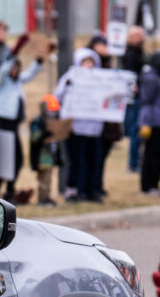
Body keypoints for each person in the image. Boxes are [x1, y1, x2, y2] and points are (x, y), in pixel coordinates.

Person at [0, 36, 42, 203]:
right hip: (3, 123)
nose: (15, 71)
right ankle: (0, 189)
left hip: (13, 125)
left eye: (17, 68)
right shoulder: (1, 82)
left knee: (16, 159)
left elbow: (30, 74)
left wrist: (39, 60)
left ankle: (8, 189)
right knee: (5, 159)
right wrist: (15, 52)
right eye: (13, 68)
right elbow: (3, 70)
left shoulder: (17, 82)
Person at [55, 48, 104, 203]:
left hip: (94, 127)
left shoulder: (101, 79)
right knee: (76, 160)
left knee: (93, 160)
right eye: (85, 62)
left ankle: (91, 190)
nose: (88, 65)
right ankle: (73, 190)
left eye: (91, 62)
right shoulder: (70, 77)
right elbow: (58, 96)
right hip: (75, 126)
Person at [89, 34, 120, 198]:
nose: (104, 48)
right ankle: (92, 185)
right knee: (95, 155)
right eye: (101, 45)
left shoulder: (109, 65)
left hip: (107, 119)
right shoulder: (90, 66)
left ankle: (98, 184)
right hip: (92, 118)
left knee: (103, 154)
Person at [138, 51, 160, 195]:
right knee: (152, 154)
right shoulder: (152, 78)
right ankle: (148, 185)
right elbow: (147, 100)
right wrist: (146, 123)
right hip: (153, 122)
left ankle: (155, 184)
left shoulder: (159, 77)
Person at [29, 95, 65, 207]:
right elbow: (35, 139)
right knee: (44, 180)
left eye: (55, 112)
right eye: (51, 112)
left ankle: (47, 197)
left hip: (52, 157)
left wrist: (59, 157)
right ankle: (42, 199)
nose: (53, 115)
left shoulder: (56, 123)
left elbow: (58, 142)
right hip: (42, 157)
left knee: (49, 179)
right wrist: (44, 134)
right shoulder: (37, 122)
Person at [121, 26, 147, 173]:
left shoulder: (141, 53)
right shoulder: (129, 54)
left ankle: (137, 162)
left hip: (142, 96)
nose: (141, 38)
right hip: (134, 98)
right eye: (137, 35)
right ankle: (133, 163)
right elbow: (129, 76)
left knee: (139, 131)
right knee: (134, 131)